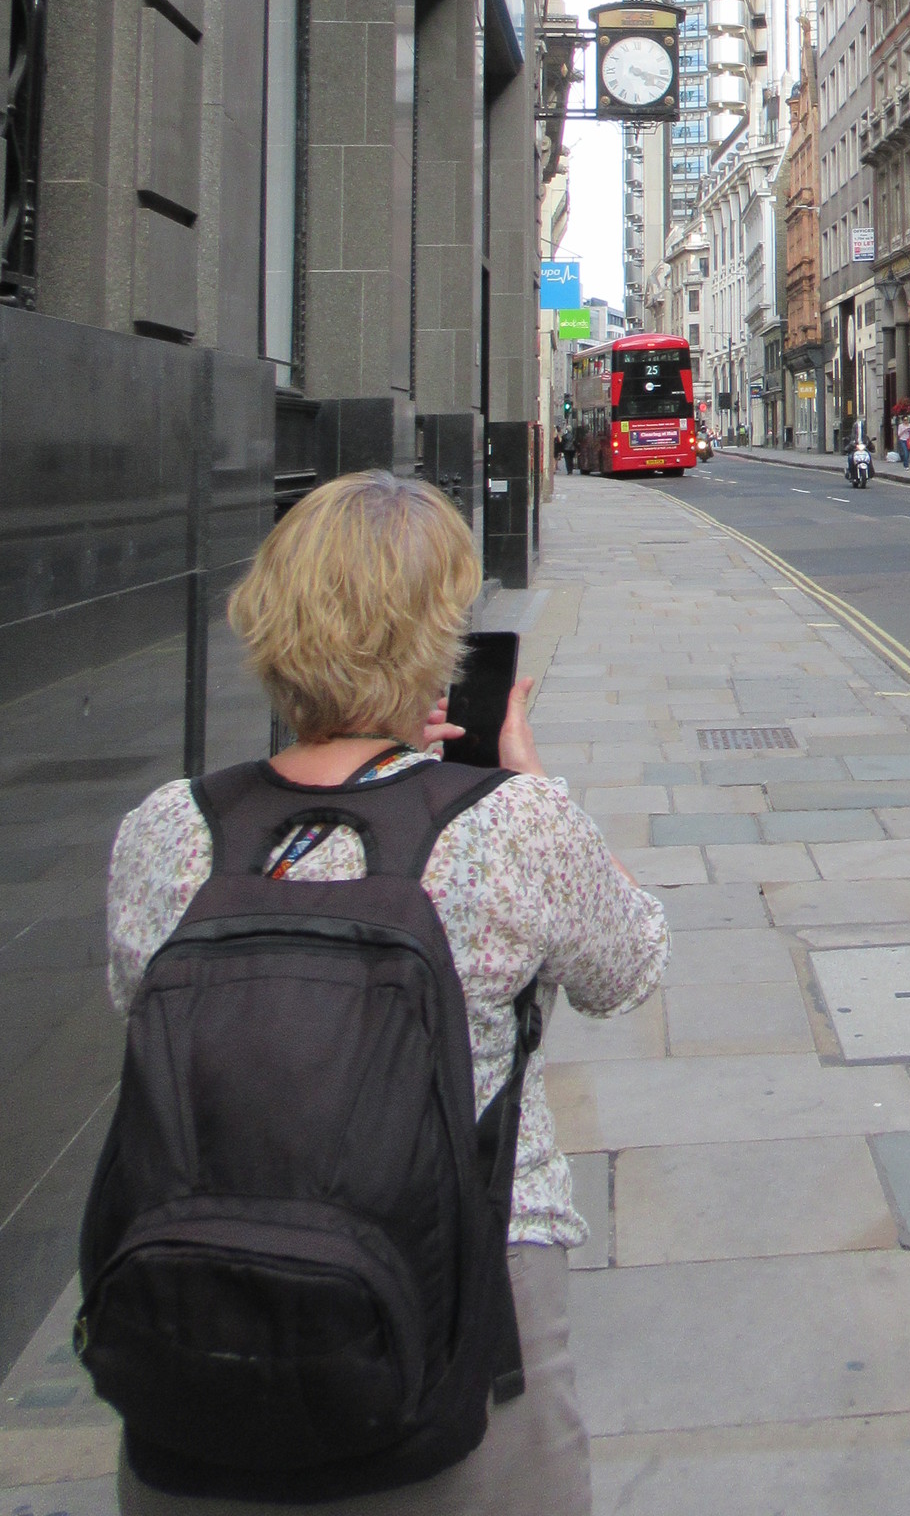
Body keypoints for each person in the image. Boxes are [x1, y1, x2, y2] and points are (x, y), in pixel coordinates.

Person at [104, 472, 668, 1516]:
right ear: (435, 642)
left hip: (196, 1324)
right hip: (468, 1301)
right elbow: (631, 963)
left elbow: (136, 1003)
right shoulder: (513, 826)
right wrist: (530, 783)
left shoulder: (164, 828)